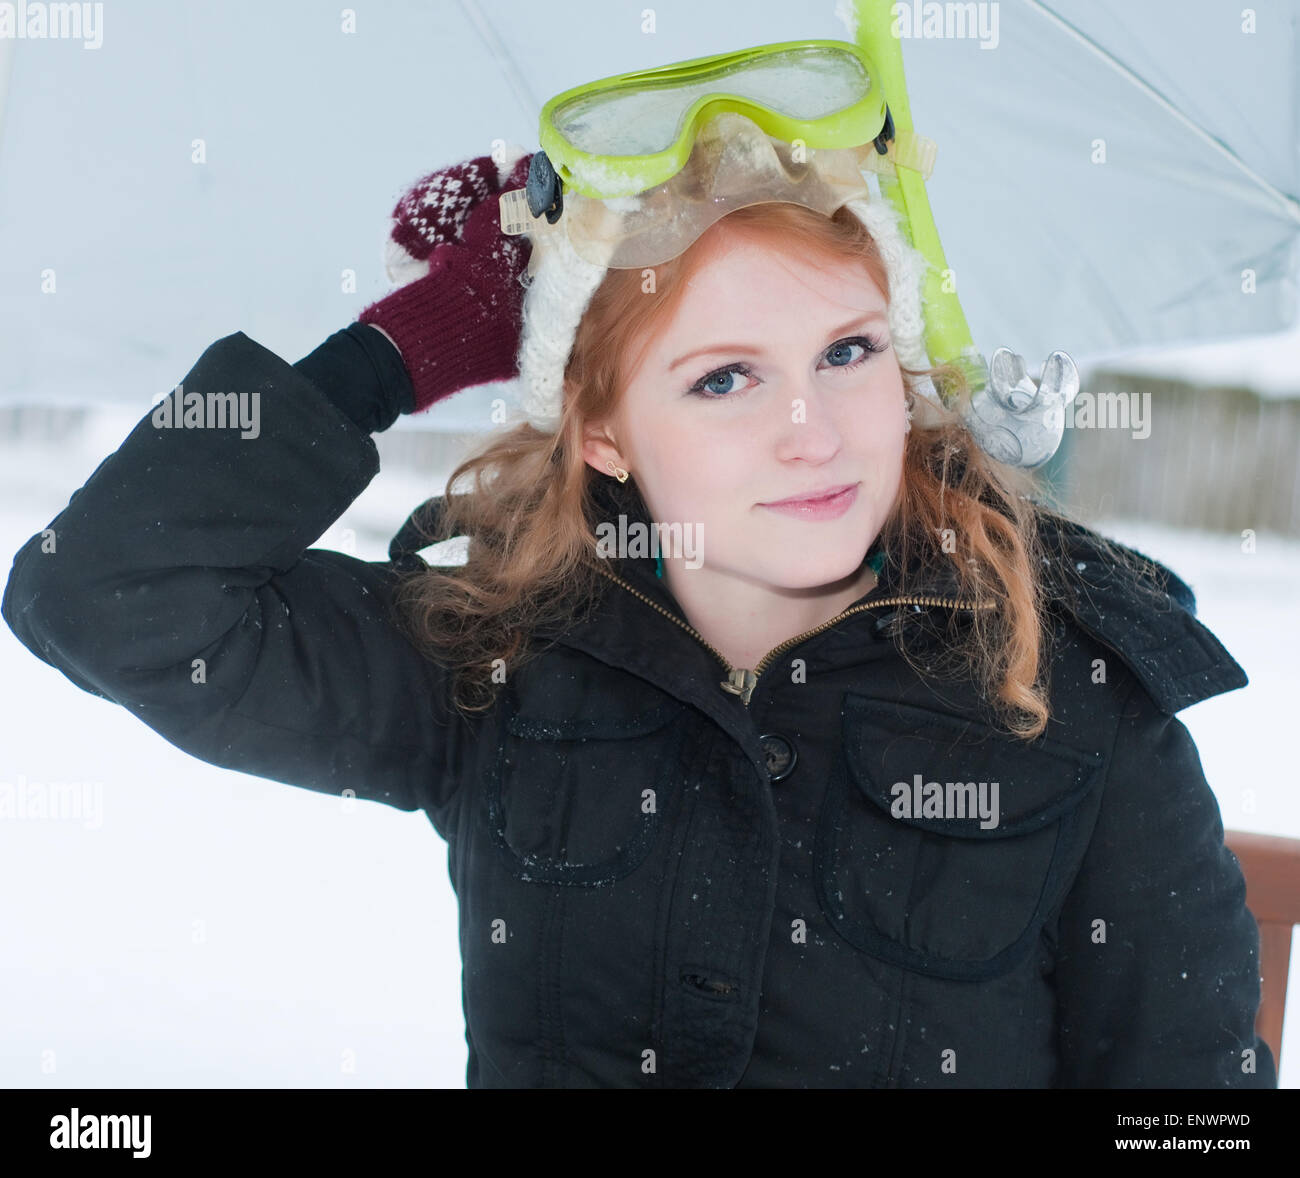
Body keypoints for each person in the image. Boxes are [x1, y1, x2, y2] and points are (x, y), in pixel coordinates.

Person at [1, 40, 1275, 1089]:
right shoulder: (503, 655)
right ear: (603, 432)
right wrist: (390, 355)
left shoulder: (1064, 685)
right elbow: (103, 592)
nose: (812, 430)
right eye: (724, 377)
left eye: (848, 350)